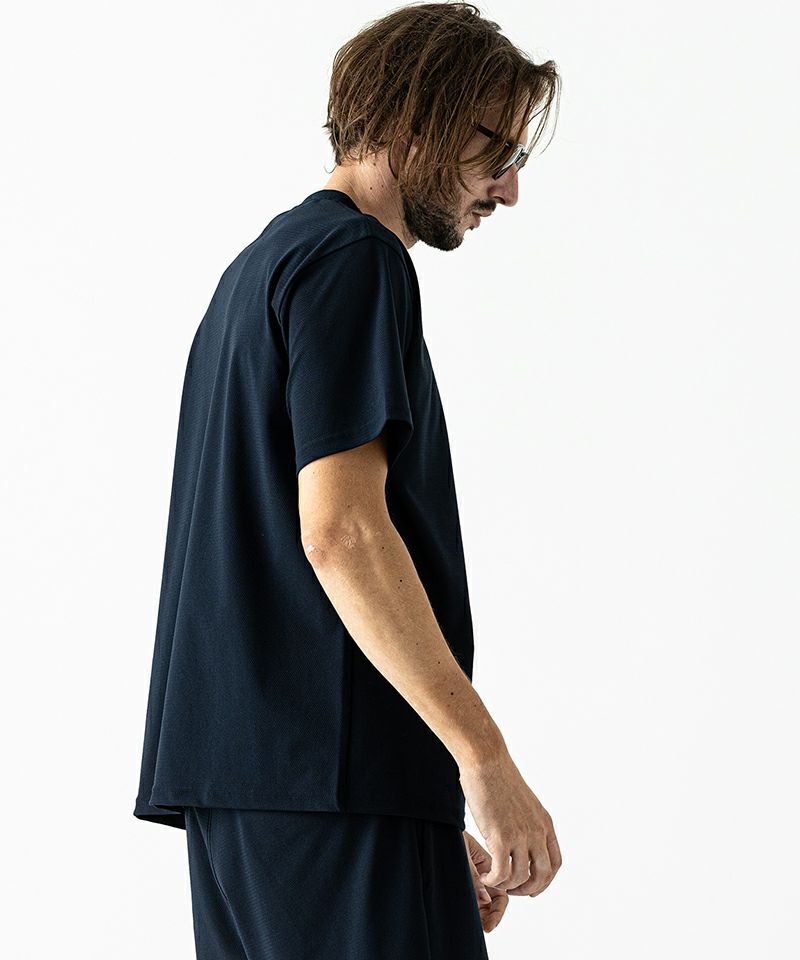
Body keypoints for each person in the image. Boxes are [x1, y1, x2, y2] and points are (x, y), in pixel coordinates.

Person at [133, 3, 563, 957]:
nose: (508, 188)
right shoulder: (357, 260)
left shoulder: (259, 269)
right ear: (415, 121)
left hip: (251, 794)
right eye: (493, 150)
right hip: (331, 788)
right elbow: (341, 533)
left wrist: (410, 797)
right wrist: (483, 761)